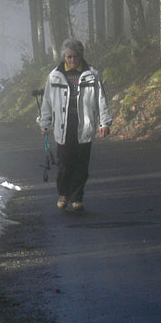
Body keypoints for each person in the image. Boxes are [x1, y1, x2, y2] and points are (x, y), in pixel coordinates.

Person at [40, 38, 113, 211]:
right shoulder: (54, 76)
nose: (72, 60)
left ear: (81, 56)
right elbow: (47, 102)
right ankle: (64, 194)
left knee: (81, 163)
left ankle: (77, 197)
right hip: (63, 125)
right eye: (68, 57)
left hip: (84, 124)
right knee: (65, 161)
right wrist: (45, 123)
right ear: (64, 56)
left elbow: (101, 100)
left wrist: (105, 122)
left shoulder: (92, 74)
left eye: (75, 57)